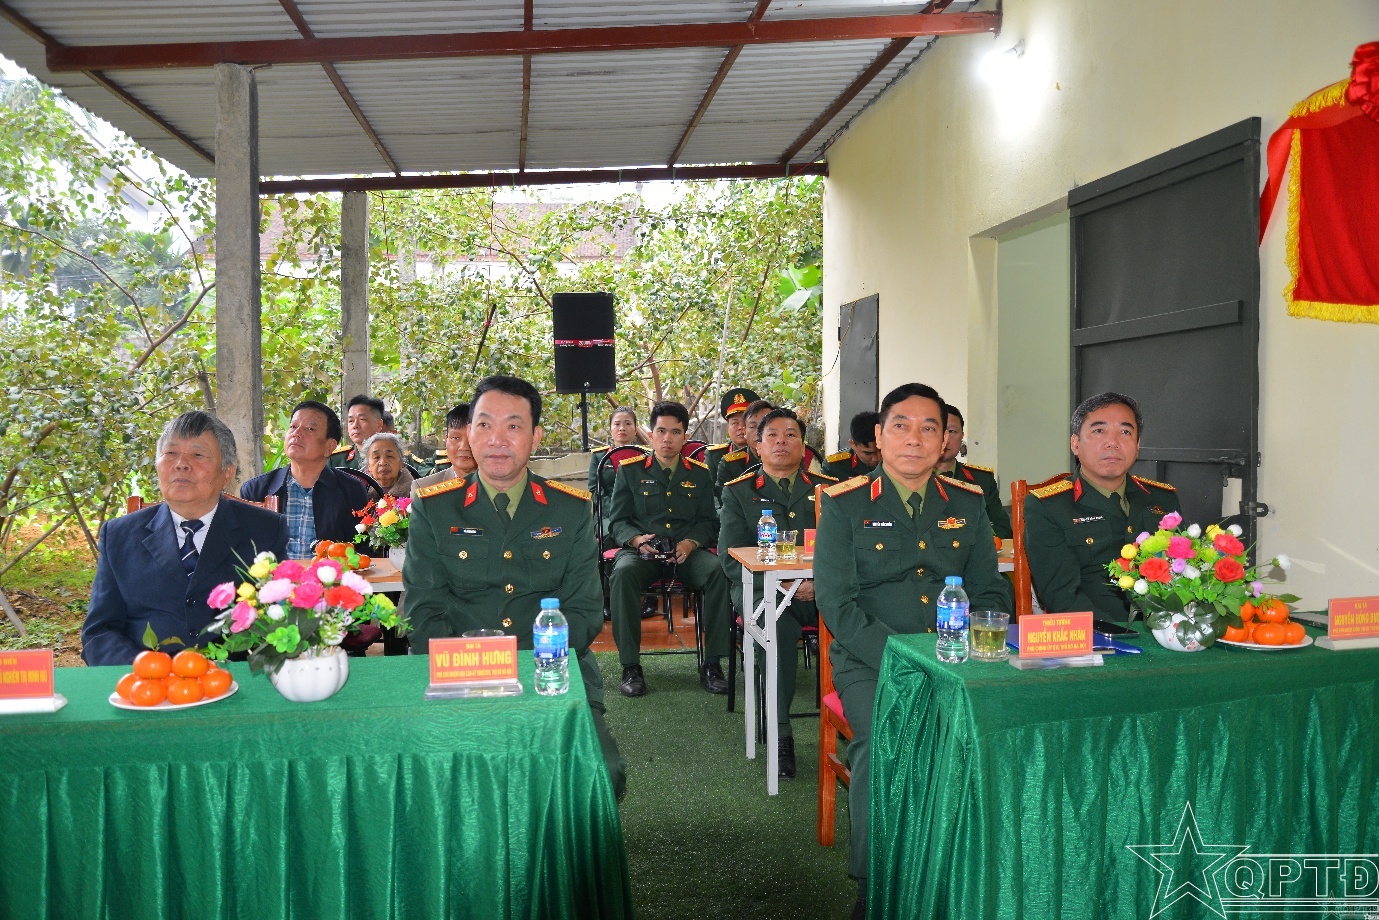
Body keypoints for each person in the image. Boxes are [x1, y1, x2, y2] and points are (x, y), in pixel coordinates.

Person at [814, 383, 1011, 912]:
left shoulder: (968, 504)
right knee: (881, 741)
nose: (915, 439)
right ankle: (875, 885)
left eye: (930, 428)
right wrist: (907, 659)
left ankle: (967, 872)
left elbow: (990, 591)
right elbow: (838, 604)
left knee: (999, 734)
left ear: (946, 441)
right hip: (872, 659)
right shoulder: (844, 504)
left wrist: (978, 646)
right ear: (879, 436)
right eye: (901, 425)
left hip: (959, 656)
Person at [403, 375, 626, 798]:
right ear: (469, 434)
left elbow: (583, 613)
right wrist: (479, 670)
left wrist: (519, 667)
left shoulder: (570, 509)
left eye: (513, 426)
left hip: (551, 673)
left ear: (535, 437)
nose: (497, 440)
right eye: (484, 425)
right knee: (435, 774)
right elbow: (422, 612)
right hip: (459, 676)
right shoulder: (435, 507)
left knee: (600, 775)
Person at [82, 411, 288, 665]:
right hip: (147, 680)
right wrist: (146, 671)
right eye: (171, 453)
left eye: (198, 455)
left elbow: (279, 621)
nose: (181, 464)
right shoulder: (119, 536)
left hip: (234, 680)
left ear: (227, 473)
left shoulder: (266, 530)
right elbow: (99, 632)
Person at [718, 407, 836, 778]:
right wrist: (784, 583)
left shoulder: (830, 490)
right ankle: (781, 732)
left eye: (790, 435)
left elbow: (846, 550)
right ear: (758, 445)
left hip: (823, 590)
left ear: (804, 447)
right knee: (776, 626)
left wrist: (819, 584)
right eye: (772, 435)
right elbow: (729, 557)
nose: (781, 442)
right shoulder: (738, 492)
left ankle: (854, 730)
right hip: (762, 590)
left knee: (854, 619)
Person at [607, 401, 731, 697]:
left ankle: (712, 663)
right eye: (661, 431)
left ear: (685, 437)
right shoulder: (630, 471)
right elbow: (618, 522)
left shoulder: (699, 474)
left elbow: (708, 522)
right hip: (643, 553)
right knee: (622, 574)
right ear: (650, 435)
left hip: (685, 553)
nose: (667, 439)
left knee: (718, 571)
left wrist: (691, 542)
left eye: (675, 432)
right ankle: (630, 666)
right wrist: (637, 541)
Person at [1023, 392, 1180, 623]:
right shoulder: (1048, 506)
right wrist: (1118, 635)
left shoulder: (1163, 499)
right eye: (1099, 431)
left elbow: (1182, 574)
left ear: (1137, 446)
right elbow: (1062, 597)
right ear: (1075, 444)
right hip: (1096, 634)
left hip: (1164, 630)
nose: (1112, 442)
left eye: (1125, 432)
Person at [240, 400, 371, 558]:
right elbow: (243, 552)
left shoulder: (351, 490)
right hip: (274, 574)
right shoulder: (256, 490)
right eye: (293, 426)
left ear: (329, 447)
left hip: (329, 573)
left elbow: (362, 552)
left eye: (310, 428)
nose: (296, 433)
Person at [935, 404, 1013, 540]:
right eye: (938, 431)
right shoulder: (911, 478)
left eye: (952, 431)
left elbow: (1002, 529)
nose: (945, 439)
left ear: (962, 436)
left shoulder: (982, 479)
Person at [588, 405, 642, 542]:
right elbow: (594, 490)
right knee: (610, 536)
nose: (622, 428)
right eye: (617, 424)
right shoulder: (600, 456)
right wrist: (615, 510)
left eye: (628, 423)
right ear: (610, 430)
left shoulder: (644, 456)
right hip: (608, 515)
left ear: (635, 430)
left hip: (640, 515)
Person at [704, 386, 759, 504]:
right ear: (728, 427)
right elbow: (709, 493)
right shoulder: (714, 455)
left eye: (745, 423)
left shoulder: (766, 451)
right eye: (735, 423)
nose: (741, 427)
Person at [715, 398, 774, 500]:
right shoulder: (729, 464)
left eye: (765, 425)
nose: (759, 432)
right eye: (753, 426)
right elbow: (723, 501)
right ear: (745, 432)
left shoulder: (789, 458)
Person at [412, 403, 475, 493]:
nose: (464, 447)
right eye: (455, 438)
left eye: (472, 438)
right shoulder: (423, 488)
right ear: (446, 440)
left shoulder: (496, 485)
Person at [328, 394, 386, 469]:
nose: (355, 425)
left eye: (362, 419)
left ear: (379, 424)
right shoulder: (336, 460)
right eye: (351, 421)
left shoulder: (394, 457)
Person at [821, 411, 881, 480]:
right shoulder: (834, 468)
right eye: (867, 453)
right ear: (853, 445)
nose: (877, 458)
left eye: (881, 450)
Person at [360, 432, 415, 499]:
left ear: (401, 463)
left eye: (389, 456)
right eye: (376, 457)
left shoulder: (416, 492)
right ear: (369, 465)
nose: (383, 462)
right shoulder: (359, 492)